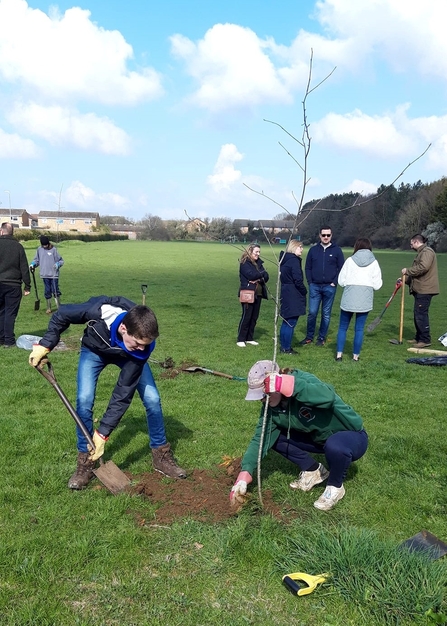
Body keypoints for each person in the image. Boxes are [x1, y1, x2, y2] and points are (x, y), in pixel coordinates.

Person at [28, 296, 186, 489]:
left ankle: (161, 456)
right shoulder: (99, 312)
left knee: (152, 399)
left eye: (146, 344)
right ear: (123, 329)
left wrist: (103, 434)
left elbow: (123, 393)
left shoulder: (140, 349)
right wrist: (46, 344)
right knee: (84, 399)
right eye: (138, 342)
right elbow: (62, 315)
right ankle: (86, 461)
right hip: (95, 350)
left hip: (128, 357)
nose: (143, 347)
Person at [230, 360, 368, 511]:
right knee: (272, 438)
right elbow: (260, 438)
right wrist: (245, 472)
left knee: (335, 445)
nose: (262, 400)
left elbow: (327, 396)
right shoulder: (270, 407)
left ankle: (335, 487)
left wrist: (289, 386)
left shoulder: (302, 381)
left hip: (352, 437)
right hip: (319, 439)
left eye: (265, 395)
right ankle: (313, 470)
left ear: (277, 384)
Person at [335, 238, 382, 361]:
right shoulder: (374, 262)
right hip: (364, 299)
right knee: (359, 329)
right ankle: (355, 357)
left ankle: (339, 355)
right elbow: (377, 285)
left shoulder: (350, 261)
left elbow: (341, 281)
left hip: (349, 297)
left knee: (342, 327)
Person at [300, 226, 344, 346]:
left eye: (328, 235)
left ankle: (321, 338)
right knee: (312, 312)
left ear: (331, 235)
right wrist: (310, 281)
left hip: (330, 287)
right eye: (323, 235)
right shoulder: (313, 250)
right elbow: (308, 267)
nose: (325, 237)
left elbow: (341, 268)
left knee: (326, 313)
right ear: (319, 235)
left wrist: (334, 282)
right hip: (315, 286)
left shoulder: (337, 251)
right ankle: (309, 337)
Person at [402, 234, 439, 349]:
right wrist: (406, 280)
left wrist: (407, 271)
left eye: (411, 243)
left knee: (421, 314)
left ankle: (425, 340)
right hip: (420, 288)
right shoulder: (421, 253)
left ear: (416, 241)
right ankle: (418, 337)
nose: (410, 245)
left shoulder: (427, 252)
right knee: (417, 313)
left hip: (425, 289)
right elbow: (418, 274)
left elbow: (423, 268)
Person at [0, 222, 31, 347]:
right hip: (13, 285)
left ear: (1, 231)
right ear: (12, 232)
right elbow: (24, 267)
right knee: (10, 313)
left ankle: (1, 338)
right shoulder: (18, 247)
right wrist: (27, 285)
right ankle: (9, 341)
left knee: (1, 312)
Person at [237, 243, 269, 347]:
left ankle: (249, 338)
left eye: (259, 252)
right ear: (250, 252)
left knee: (254, 317)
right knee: (247, 316)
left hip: (258, 294)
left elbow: (266, 277)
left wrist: (260, 276)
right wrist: (261, 274)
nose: (258, 254)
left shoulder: (259, 263)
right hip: (248, 293)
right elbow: (251, 275)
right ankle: (241, 339)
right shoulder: (244, 263)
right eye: (256, 252)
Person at [279, 240, 307, 354]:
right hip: (293, 293)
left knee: (286, 321)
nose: (302, 249)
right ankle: (287, 348)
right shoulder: (294, 261)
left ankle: (283, 345)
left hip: (285, 291)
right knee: (291, 322)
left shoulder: (284, 260)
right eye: (300, 247)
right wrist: (304, 290)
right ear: (294, 247)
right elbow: (298, 280)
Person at [29, 235, 64, 314]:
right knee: (47, 291)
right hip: (44, 275)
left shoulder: (54, 250)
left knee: (55, 291)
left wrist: (57, 264)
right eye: (43, 245)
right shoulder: (39, 250)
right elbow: (36, 260)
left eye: (46, 245)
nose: (45, 246)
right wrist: (33, 264)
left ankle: (59, 307)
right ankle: (49, 308)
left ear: (48, 243)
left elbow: (61, 261)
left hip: (54, 275)